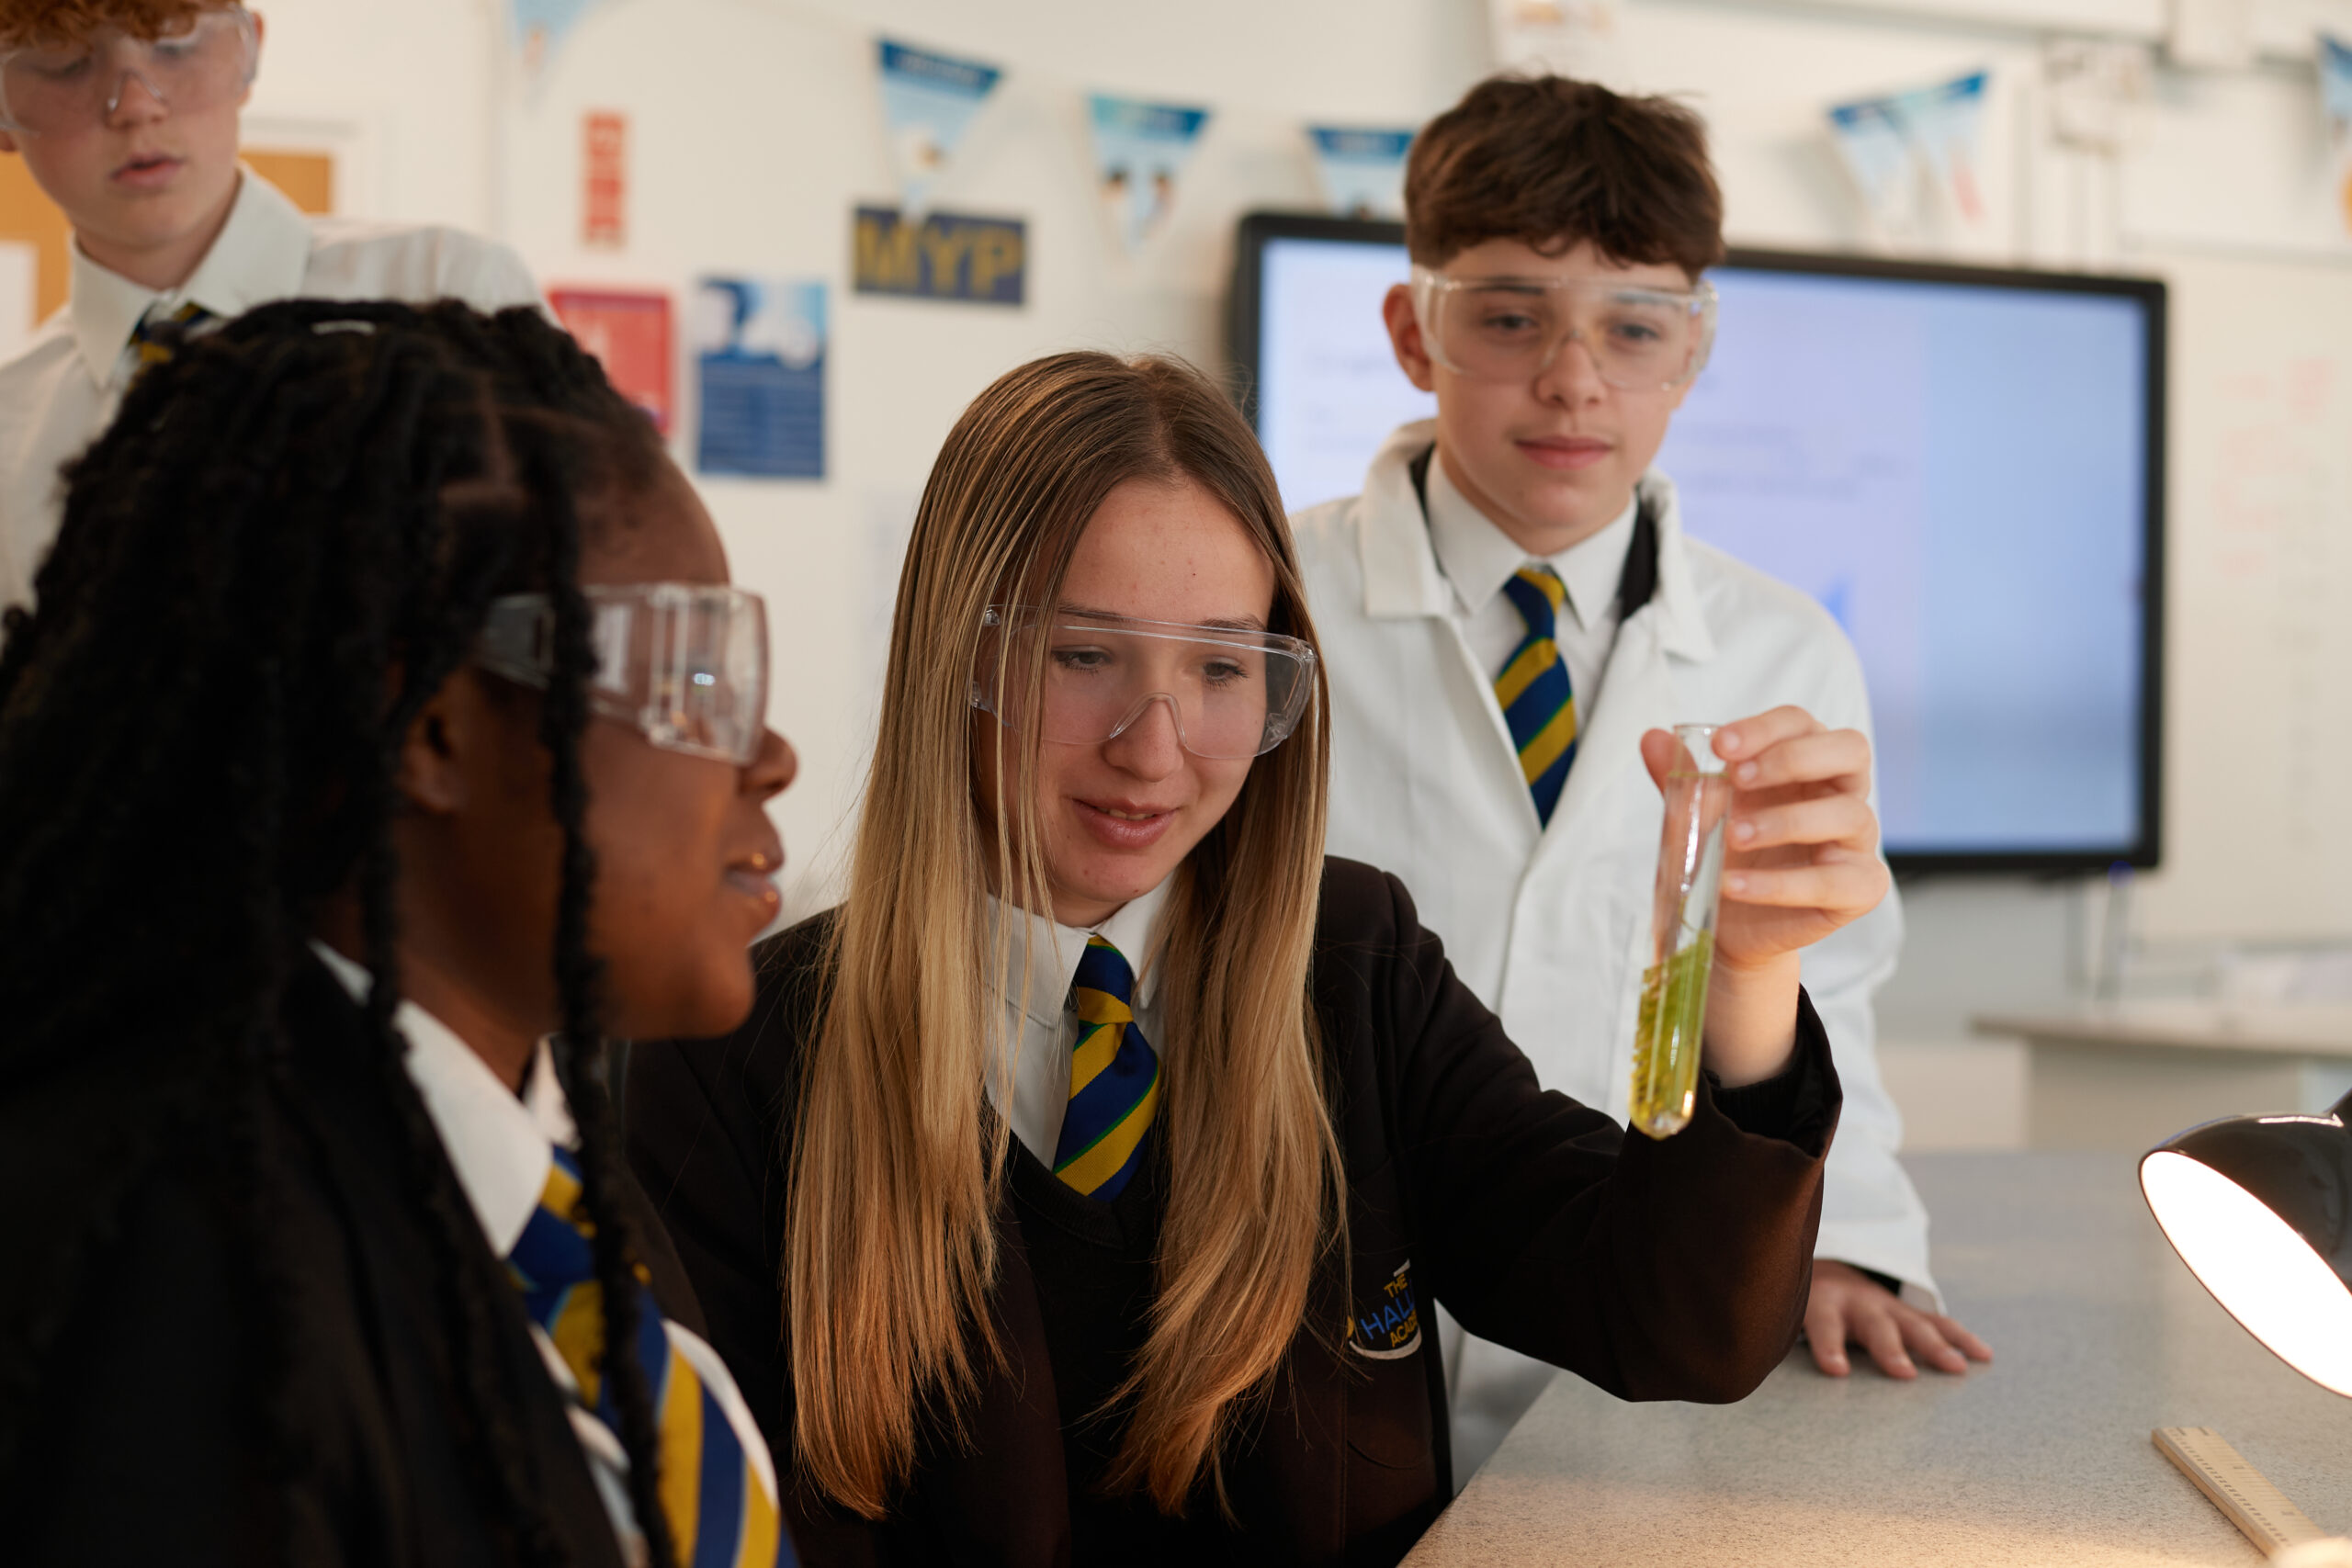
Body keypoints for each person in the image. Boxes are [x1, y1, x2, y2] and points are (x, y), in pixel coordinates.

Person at [627, 350, 1888, 1565]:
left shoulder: (1357, 969)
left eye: (1224, 666)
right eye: (1084, 655)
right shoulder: (735, 1056)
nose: (1156, 745)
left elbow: (1676, 1321)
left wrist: (1746, 978)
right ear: (959, 652)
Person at [0, 300, 801, 1568]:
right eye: (692, 673)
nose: (770, 753)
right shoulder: (180, 1285)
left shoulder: (561, 1201)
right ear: (429, 727)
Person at [1287, 73, 1993, 1475]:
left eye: (1633, 325)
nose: (1573, 377)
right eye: (1508, 317)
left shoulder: (1784, 647)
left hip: (1645, 1345)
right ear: (1410, 332)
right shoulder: (1274, 606)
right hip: (1316, 1310)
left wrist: (1835, 1239)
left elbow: (1821, 983)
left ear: (1695, 352)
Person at [0, 0, 545, 615]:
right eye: (68, 65)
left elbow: (607, 614)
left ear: (248, 53)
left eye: (176, 46)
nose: (136, 105)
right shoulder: (11, 426)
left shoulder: (451, 298)